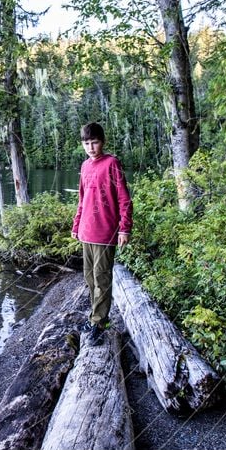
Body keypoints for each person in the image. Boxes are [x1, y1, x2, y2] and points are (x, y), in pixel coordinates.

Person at [71, 122, 133, 341]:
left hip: (106, 231)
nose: (90, 147)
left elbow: (124, 198)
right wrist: (76, 224)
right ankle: (94, 316)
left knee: (102, 278)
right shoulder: (85, 166)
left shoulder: (112, 163)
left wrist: (124, 229)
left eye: (94, 142)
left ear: (102, 142)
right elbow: (82, 198)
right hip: (86, 231)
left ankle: (99, 323)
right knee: (90, 278)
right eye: (86, 143)